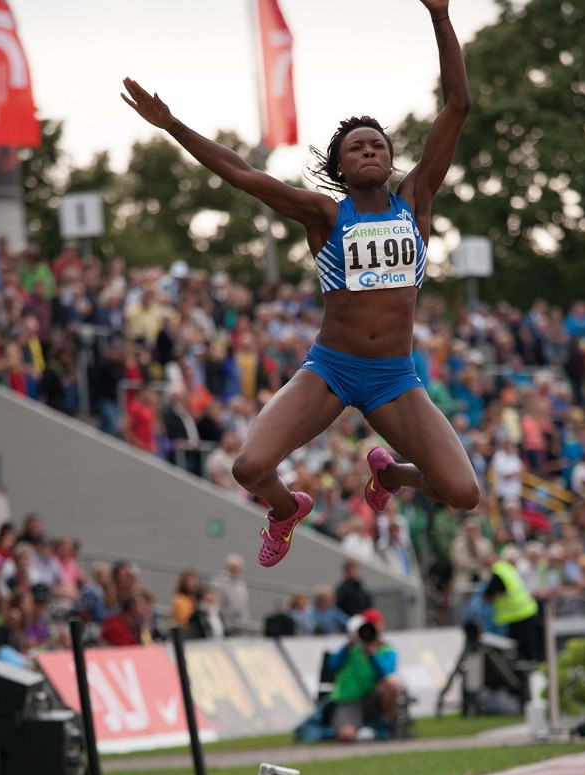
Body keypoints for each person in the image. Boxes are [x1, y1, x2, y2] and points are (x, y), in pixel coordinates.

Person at [122, 0, 479, 568]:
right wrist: (172, 127)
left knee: (462, 493)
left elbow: (458, 104)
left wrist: (439, 16)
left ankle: (393, 474)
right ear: (340, 167)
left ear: (390, 162)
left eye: (379, 145)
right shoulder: (324, 216)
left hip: (395, 377)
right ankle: (286, 510)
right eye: (357, 146)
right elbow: (243, 175)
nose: (370, 149)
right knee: (249, 468)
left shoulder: (416, 200)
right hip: (332, 369)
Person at [294, 609, 401, 742]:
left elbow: (384, 673)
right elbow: (332, 666)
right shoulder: (352, 647)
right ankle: (367, 734)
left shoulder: (387, 650)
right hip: (350, 699)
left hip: (372, 699)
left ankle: (386, 724)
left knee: (392, 683)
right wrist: (348, 646)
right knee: (346, 735)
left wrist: (372, 655)